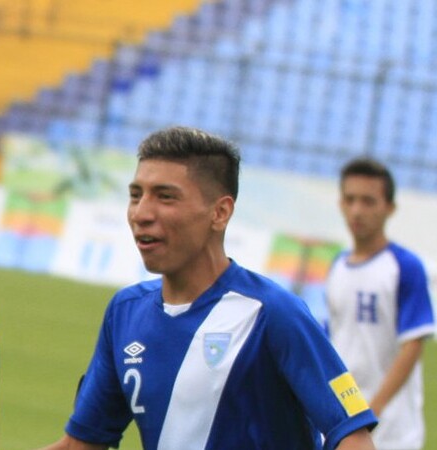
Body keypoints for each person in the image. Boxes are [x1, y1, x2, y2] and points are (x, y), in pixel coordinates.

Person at [44, 127, 378, 449]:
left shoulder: (272, 313)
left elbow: (353, 435)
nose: (141, 213)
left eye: (165, 197)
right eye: (135, 195)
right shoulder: (124, 313)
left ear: (220, 213)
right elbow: (81, 444)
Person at [325, 157, 433, 450]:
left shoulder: (404, 266)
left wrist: (374, 409)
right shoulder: (337, 266)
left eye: (368, 201)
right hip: (344, 422)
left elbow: (412, 344)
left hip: (393, 428)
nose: (357, 210)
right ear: (341, 204)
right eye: (350, 199)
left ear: (389, 208)